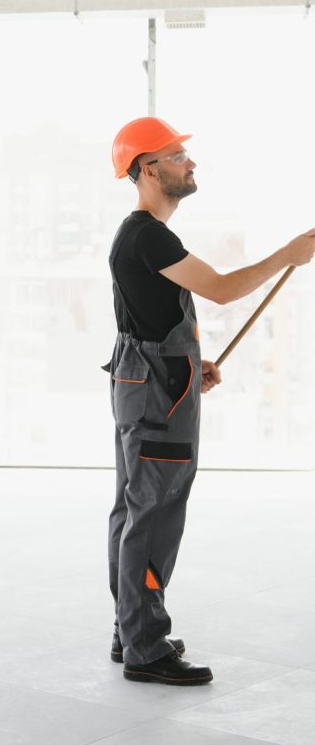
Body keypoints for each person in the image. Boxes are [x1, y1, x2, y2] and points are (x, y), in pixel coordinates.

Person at [104, 116, 315, 686]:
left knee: (133, 508)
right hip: (156, 393)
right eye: (176, 155)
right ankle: (145, 647)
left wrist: (193, 367)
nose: (189, 163)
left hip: (148, 383)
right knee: (153, 511)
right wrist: (288, 254)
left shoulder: (141, 234)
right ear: (148, 168)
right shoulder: (149, 234)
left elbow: (145, 320)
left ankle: (132, 631)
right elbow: (220, 289)